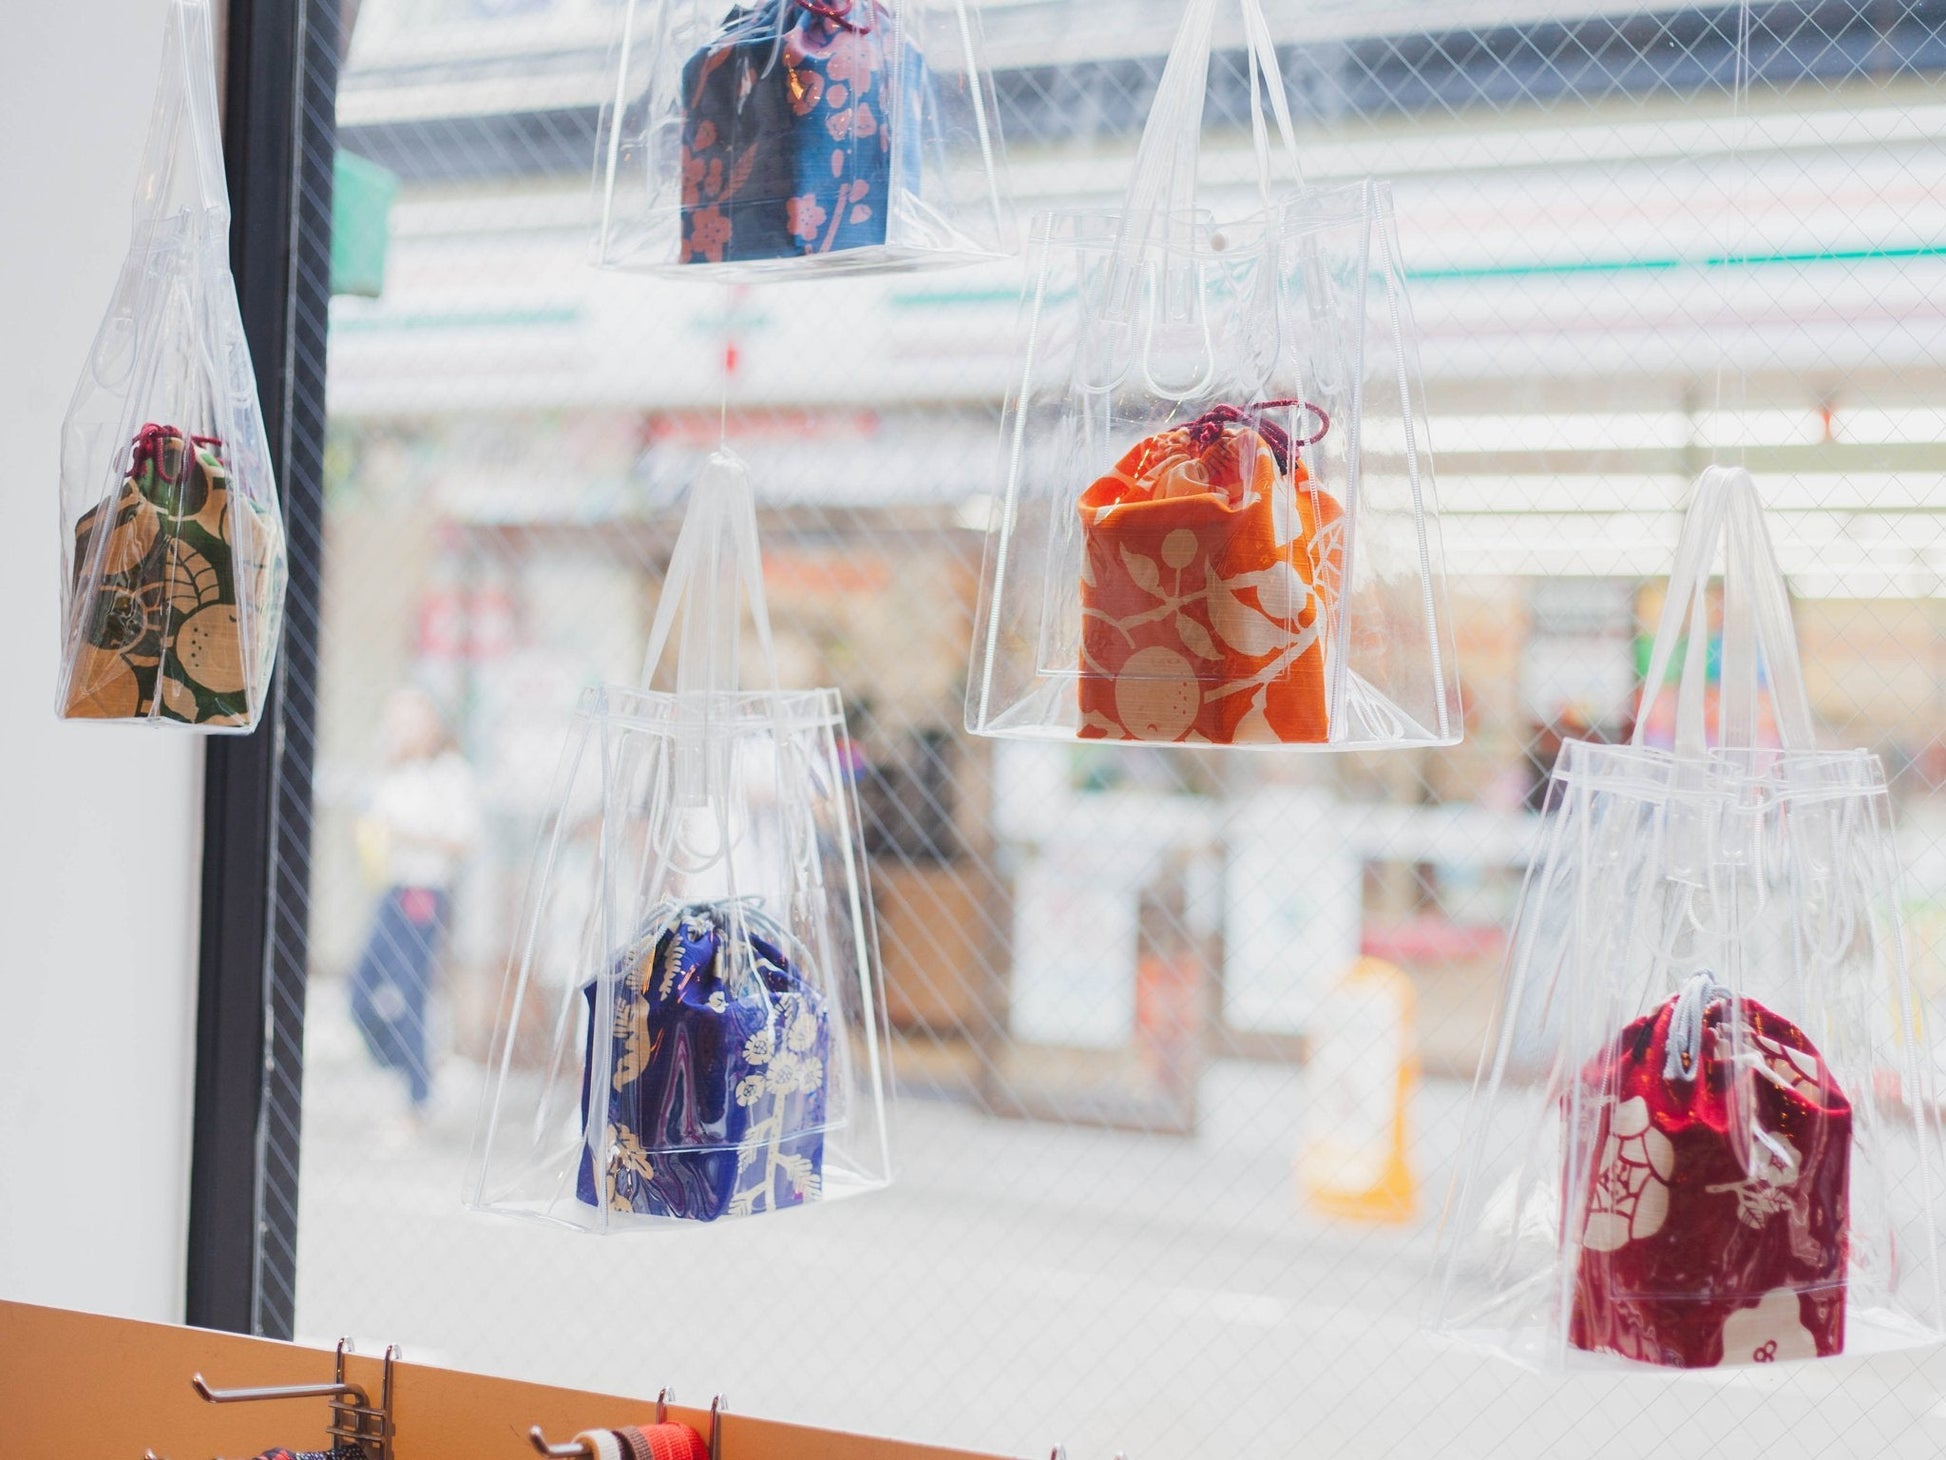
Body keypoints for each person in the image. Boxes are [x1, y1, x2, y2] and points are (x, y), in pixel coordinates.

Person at [349, 687, 480, 1126]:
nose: (401, 729)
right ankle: (407, 1060)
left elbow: (463, 839)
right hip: (390, 888)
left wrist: (405, 835)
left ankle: (417, 1093)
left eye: (410, 719)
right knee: (359, 990)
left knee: (410, 992)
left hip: (424, 890)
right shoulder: (395, 771)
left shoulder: (451, 774)